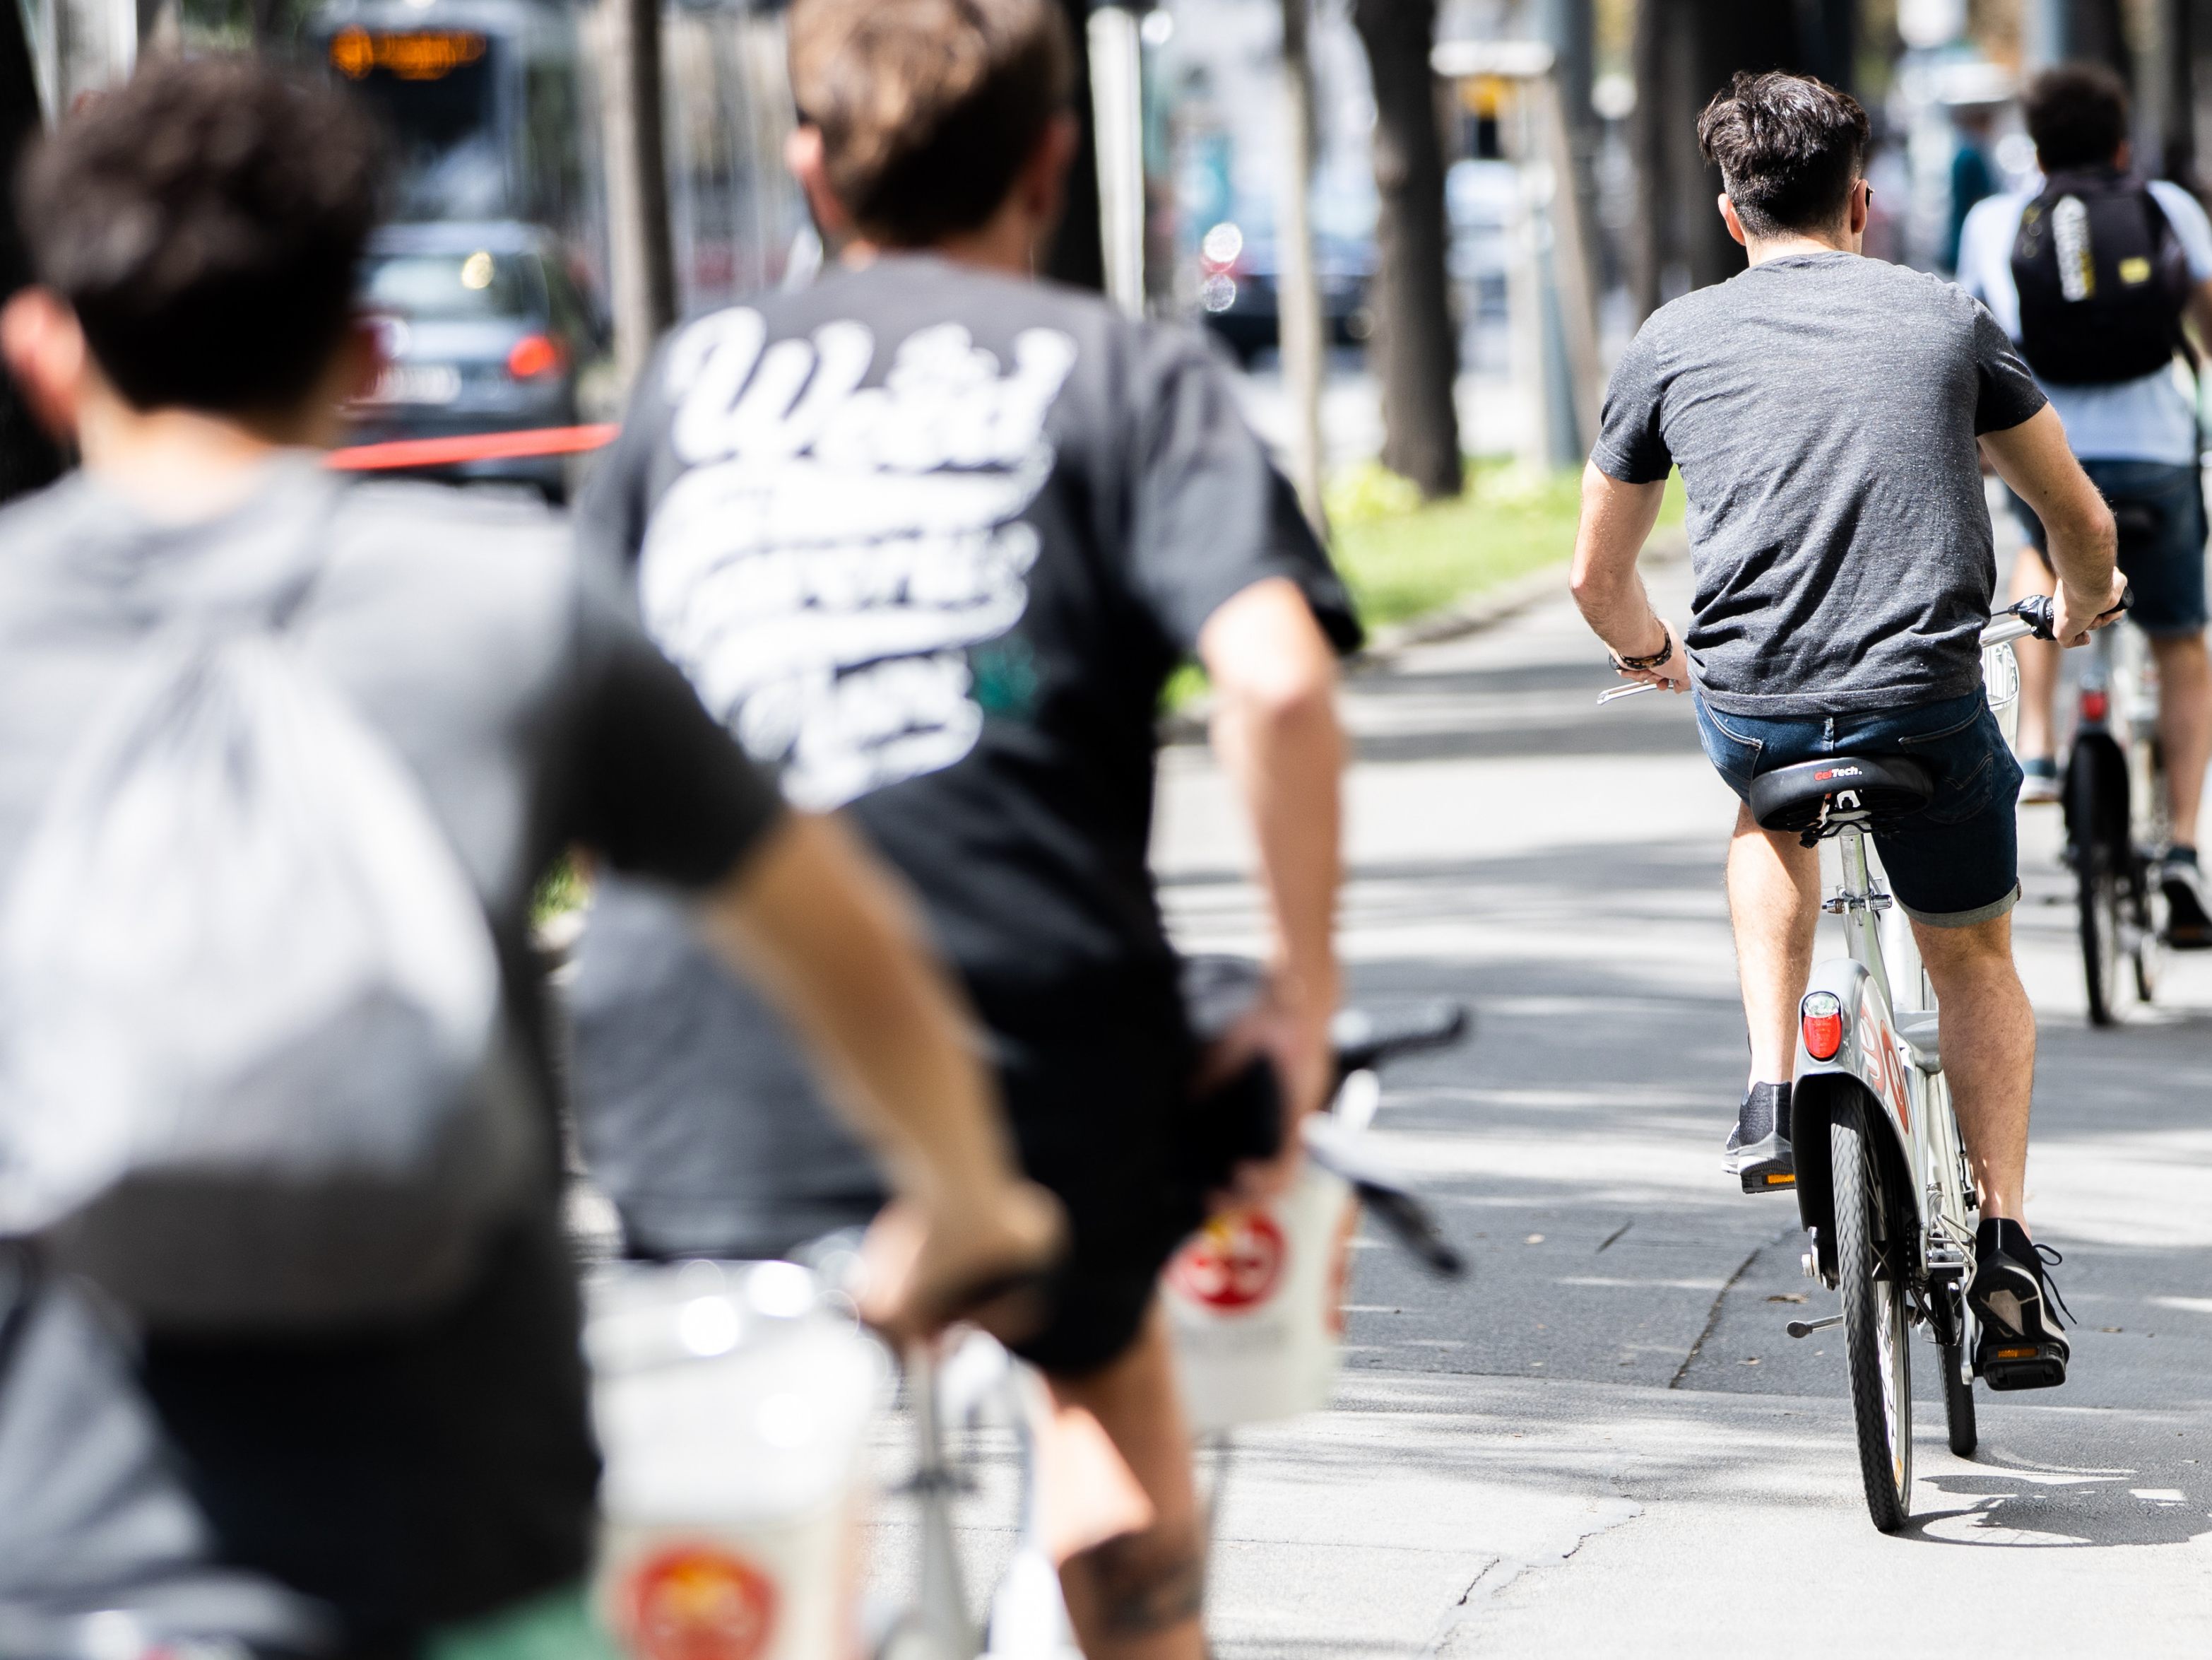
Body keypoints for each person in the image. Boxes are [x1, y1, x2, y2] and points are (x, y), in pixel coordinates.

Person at [0, 57, 1058, 1654]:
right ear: (364, 357)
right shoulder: (512, 609)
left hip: (59, 1546)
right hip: (456, 1539)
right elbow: (849, 953)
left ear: (40, 349)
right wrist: (971, 1202)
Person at [572, 1, 1359, 1652]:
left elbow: (574, 702)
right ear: (1049, 163)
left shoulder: (692, 380)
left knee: (714, 1483)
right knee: (1100, 1356)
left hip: (695, 1030)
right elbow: (1277, 685)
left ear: (813, 168)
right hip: (1028, 1028)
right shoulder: (1125, 370)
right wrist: (1295, 994)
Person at [1570, 71, 2122, 1386]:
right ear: (1862, 203)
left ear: (1728, 212)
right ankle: (2002, 1243)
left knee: (1764, 805)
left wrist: (1653, 653)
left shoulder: (1669, 342)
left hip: (1755, 697)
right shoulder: (1946, 319)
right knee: (1976, 961)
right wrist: (2085, 603)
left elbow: (1595, 579)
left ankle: (1771, 1080)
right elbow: (2079, 524)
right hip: (1926, 700)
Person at [1956, 64, 2212, 943]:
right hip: (2156, 452)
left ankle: (2040, 745)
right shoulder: (2168, 207)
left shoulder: (1996, 221)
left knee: (2042, 551)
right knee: (2180, 640)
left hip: (2047, 451)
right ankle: (2180, 845)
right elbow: (2205, 326)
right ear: (2119, 144)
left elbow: (1976, 347)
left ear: (2033, 150)